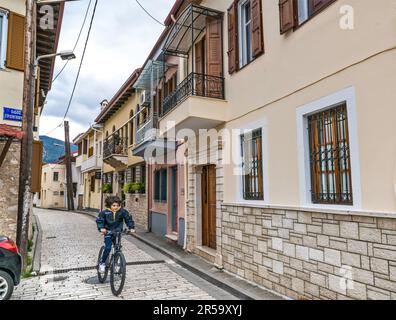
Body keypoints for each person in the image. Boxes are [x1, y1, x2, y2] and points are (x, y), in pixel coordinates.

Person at [96, 196, 135, 272]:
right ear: (109, 205)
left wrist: (131, 227)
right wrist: (101, 228)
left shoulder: (122, 212)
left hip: (117, 232)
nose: (116, 207)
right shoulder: (104, 213)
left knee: (118, 248)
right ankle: (102, 263)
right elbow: (100, 221)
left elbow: (128, 219)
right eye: (114, 205)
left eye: (117, 205)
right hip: (108, 232)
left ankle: (115, 263)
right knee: (108, 247)